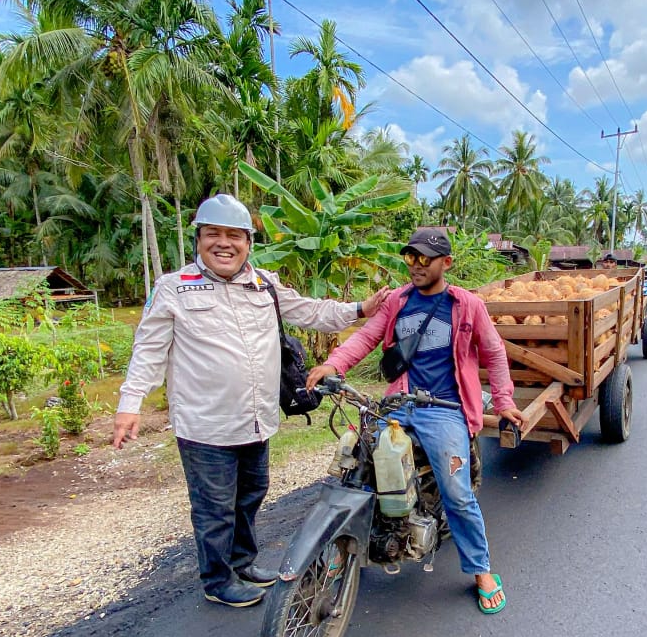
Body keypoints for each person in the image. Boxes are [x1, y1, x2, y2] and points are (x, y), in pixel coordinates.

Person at [112, 194, 392, 608]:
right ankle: (217, 580)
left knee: (250, 495)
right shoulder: (173, 288)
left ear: (248, 243)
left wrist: (358, 309)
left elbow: (310, 311)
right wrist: (130, 404)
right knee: (215, 508)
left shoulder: (264, 284)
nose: (224, 243)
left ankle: (242, 562)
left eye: (234, 236)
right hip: (206, 426)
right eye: (213, 234)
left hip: (255, 421)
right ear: (199, 240)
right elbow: (149, 350)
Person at [306, 227, 526, 614]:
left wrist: (504, 401)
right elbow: (367, 337)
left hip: (444, 408)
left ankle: (480, 569)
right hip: (399, 403)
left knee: (457, 492)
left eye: (425, 258)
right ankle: (342, 547)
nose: (416, 265)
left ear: (446, 263)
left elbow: (493, 352)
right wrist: (332, 364)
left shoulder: (466, 305)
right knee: (354, 467)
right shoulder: (397, 301)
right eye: (411, 257)